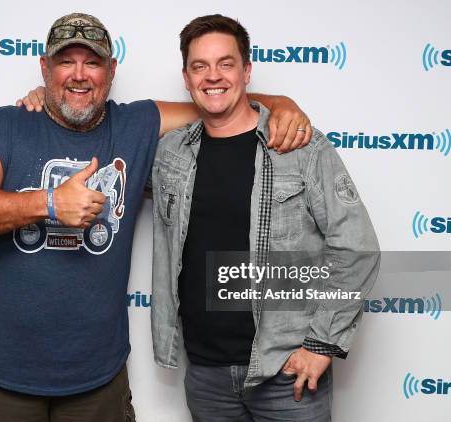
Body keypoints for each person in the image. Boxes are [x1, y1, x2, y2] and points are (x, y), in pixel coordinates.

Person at [0, 13, 311, 422]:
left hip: (97, 376)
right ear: (45, 69)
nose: (79, 75)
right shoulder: (6, 125)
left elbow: (220, 105)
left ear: (112, 70)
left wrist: (283, 104)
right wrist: (48, 203)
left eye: (93, 62)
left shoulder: (136, 123)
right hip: (0, 373)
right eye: (66, 62)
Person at [149, 14, 380, 422]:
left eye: (226, 63)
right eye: (199, 66)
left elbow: (356, 247)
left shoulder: (299, 147)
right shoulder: (171, 155)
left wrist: (322, 344)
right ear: (186, 78)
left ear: (247, 70)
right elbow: (102, 128)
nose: (212, 76)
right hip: (205, 374)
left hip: (286, 372)